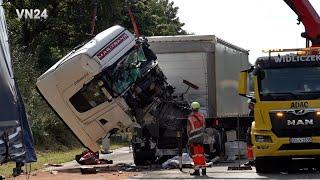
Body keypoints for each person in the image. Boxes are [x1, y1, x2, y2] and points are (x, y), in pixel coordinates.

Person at [187, 102, 206, 176]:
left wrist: (189, 139)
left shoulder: (190, 118)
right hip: (201, 138)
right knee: (201, 154)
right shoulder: (202, 116)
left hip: (193, 139)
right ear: (198, 108)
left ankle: (197, 171)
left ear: (192, 108)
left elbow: (188, 130)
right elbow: (204, 126)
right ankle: (204, 171)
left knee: (195, 155)